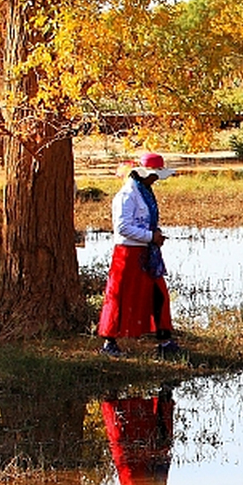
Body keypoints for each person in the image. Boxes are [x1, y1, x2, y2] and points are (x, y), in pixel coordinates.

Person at [98, 151, 182, 358]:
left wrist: (154, 235)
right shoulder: (127, 195)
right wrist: (149, 236)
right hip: (128, 253)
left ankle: (164, 339)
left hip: (146, 253)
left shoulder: (144, 192)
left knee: (157, 294)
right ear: (143, 173)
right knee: (121, 295)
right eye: (154, 175)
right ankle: (110, 341)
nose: (156, 179)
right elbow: (122, 227)